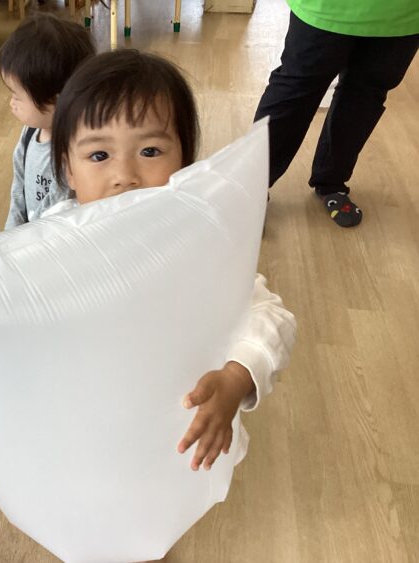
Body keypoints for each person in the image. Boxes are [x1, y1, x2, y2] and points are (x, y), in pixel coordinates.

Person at [49, 49, 297, 471]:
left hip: (177, 431)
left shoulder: (199, 242)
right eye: (99, 155)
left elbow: (272, 317)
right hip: (89, 430)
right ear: (68, 169)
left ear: (185, 162)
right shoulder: (51, 240)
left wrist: (236, 377)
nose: (124, 176)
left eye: (149, 151)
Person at [254, 1, 419, 227]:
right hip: (328, 7)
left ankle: (331, 181)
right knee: (294, 92)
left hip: (402, 15)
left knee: (364, 97)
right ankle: (251, 186)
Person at [0, 13, 95, 229]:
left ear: (56, 101)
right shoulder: (30, 132)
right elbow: (19, 185)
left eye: (16, 95)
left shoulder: (76, 151)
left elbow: (57, 214)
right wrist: (10, 232)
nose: (11, 103)